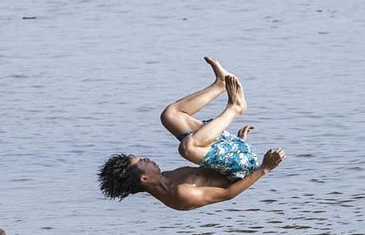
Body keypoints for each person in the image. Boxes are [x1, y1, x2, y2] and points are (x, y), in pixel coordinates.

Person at [99, 57, 285, 210]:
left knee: (170, 116)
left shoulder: (168, 176)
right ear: (144, 178)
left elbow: (211, 167)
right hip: (243, 169)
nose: (146, 158)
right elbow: (228, 193)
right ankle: (235, 108)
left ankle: (220, 84)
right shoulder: (179, 195)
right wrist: (264, 168)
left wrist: (236, 144)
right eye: (141, 161)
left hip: (231, 156)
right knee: (187, 148)